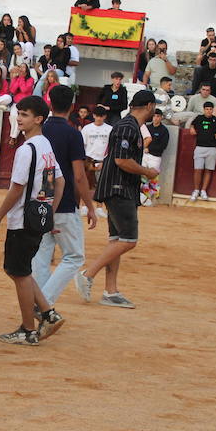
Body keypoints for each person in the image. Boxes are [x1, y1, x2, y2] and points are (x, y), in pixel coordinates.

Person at [0, 95, 64, 345]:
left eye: (24, 115)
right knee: (21, 270)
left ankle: (28, 330)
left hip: (22, 219)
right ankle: (48, 313)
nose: (19, 118)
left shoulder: (26, 149)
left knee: (18, 272)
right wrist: (49, 212)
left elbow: (17, 189)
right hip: (38, 216)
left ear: (38, 119)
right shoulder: (45, 146)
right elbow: (59, 182)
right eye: (18, 113)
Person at [74, 90, 161, 308]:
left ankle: (110, 291)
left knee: (116, 239)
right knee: (128, 240)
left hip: (120, 188)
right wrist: (146, 172)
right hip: (119, 188)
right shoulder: (128, 127)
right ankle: (88, 274)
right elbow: (122, 161)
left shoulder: (128, 126)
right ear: (149, 106)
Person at [31, 85, 99, 307]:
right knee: (74, 257)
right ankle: (44, 303)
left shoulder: (38, 130)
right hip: (64, 203)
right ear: (72, 106)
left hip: (39, 200)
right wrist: (90, 206)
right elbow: (79, 176)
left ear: (50, 103)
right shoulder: (73, 134)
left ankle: (39, 302)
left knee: (41, 256)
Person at [186, 101, 216, 202]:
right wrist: (192, 128)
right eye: (207, 109)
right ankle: (196, 190)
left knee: (208, 170)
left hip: (212, 148)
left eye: (210, 109)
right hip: (200, 147)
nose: (208, 111)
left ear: (212, 110)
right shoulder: (199, 118)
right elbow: (192, 125)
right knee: (198, 170)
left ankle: (203, 190)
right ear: (203, 110)